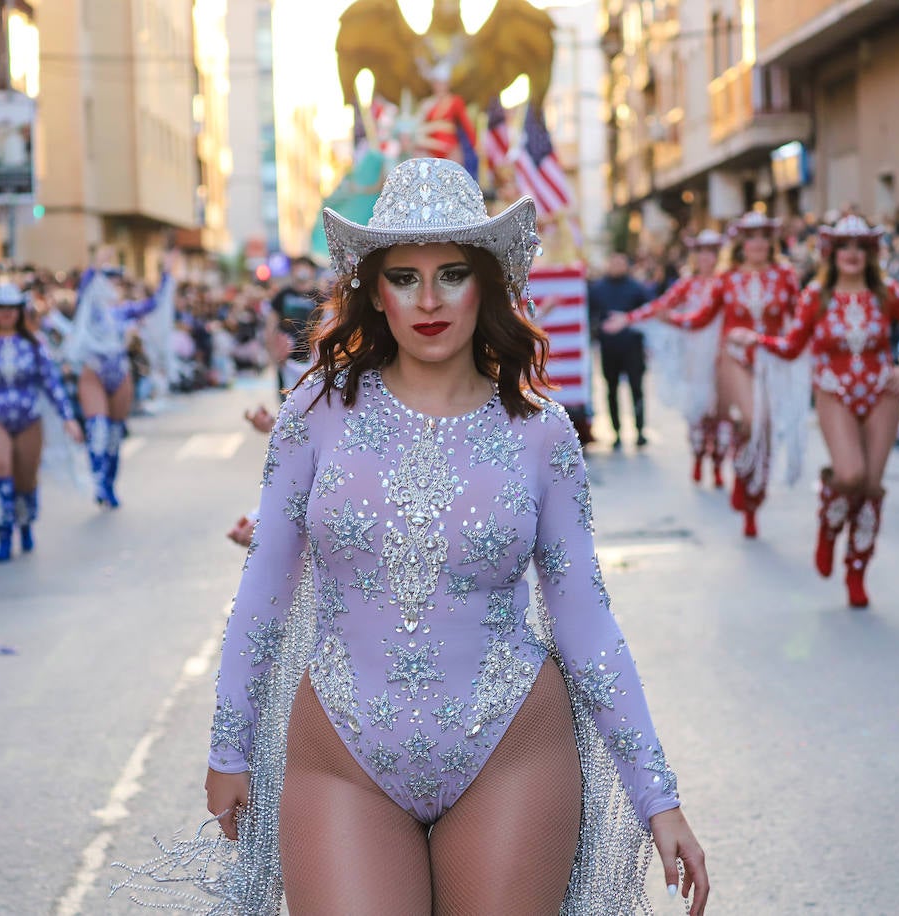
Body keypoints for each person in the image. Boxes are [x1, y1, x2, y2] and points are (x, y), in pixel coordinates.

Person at [181, 159, 708, 914]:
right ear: (373, 289)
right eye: (404, 277)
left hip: (511, 750)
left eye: (453, 273)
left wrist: (659, 798)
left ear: (487, 284)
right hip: (342, 754)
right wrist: (227, 748)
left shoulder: (543, 433)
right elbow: (263, 590)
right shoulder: (311, 415)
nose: (428, 300)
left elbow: (585, 618)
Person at [729, 216, 899, 607]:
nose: (852, 254)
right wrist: (755, 339)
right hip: (833, 392)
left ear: (870, 253)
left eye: (860, 246)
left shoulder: (886, 291)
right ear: (832, 253)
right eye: (844, 246)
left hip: (882, 392)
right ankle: (829, 524)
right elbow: (791, 346)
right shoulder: (816, 295)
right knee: (850, 474)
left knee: (871, 486)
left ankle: (857, 571)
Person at [658, 212, 802, 537]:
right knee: (754, 419)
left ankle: (753, 499)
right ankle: (740, 477)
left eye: (764, 235)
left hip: (772, 361)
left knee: (763, 433)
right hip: (734, 358)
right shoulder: (728, 278)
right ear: (741, 243)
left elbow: (802, 320)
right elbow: (702, 317)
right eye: (751, 236)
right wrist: (672, 320)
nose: (758, 243)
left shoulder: (785, 276)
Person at [0, 283, 83, 563]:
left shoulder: (35, 342)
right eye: (0, 309)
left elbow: (51, 381)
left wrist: (67, 417)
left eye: (11, 309)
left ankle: (25, 524)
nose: (6, 314)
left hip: (28, 414)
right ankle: (2, 534)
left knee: (26, 478)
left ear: (19, 311)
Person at [604, 229, 728, 484]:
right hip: (695, 352)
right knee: (697, 408)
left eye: (712, 252)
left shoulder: (727, 283)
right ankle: (698, 455)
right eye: (703, 252)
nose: (708, 258)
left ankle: (717, 464)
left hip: (721, 351)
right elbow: (660, 306)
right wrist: (628, 319)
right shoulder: (688, 284)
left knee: (721, 410)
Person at [67, 247, 178, 508]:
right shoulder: (90, 310)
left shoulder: (125, 311)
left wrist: (165, 274)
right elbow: (85, 290)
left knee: (115, 435)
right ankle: (98, 482)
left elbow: (156, 304)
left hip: (119, 373)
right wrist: (94, 265)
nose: (114, 285)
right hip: (93, 371)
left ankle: (109, 484)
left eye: (117, 280)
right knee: (98, 429)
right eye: (108, 279)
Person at [588, 252, 653, 450]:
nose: (617, 266)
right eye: (614, 262)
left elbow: (648, 314)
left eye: (621, 262)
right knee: (611, 390)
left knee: (636, 389)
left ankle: (639, 430)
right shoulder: (597, 289)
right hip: (609, 348)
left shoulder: (637, 288)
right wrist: (599, 327)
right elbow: (590, 316)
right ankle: (616, 431)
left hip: (633, 347)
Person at [266, 256, 322, 399]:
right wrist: (273, 354)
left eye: (306, 266)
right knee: (287, 398)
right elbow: (271, 324)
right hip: (286, 356)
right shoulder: (283, 295)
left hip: (311, 358)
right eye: (299, 266)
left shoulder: (319, 296)